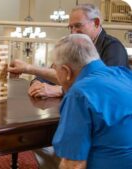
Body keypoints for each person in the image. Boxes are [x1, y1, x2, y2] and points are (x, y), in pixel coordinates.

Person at [9, 3, 129, 98]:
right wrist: (36, 83)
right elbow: (54, 71)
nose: (73, 32)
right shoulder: (75, 44)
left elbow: (106, 88)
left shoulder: (113, 47)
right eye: (70, 27)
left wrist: (61, 90)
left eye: (78, 26)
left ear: (96, 23)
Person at [52, 34, 132, 169]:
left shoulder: (79, 95)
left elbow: (74, 164)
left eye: (55, 68)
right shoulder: (124, 74)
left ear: (66, 71)